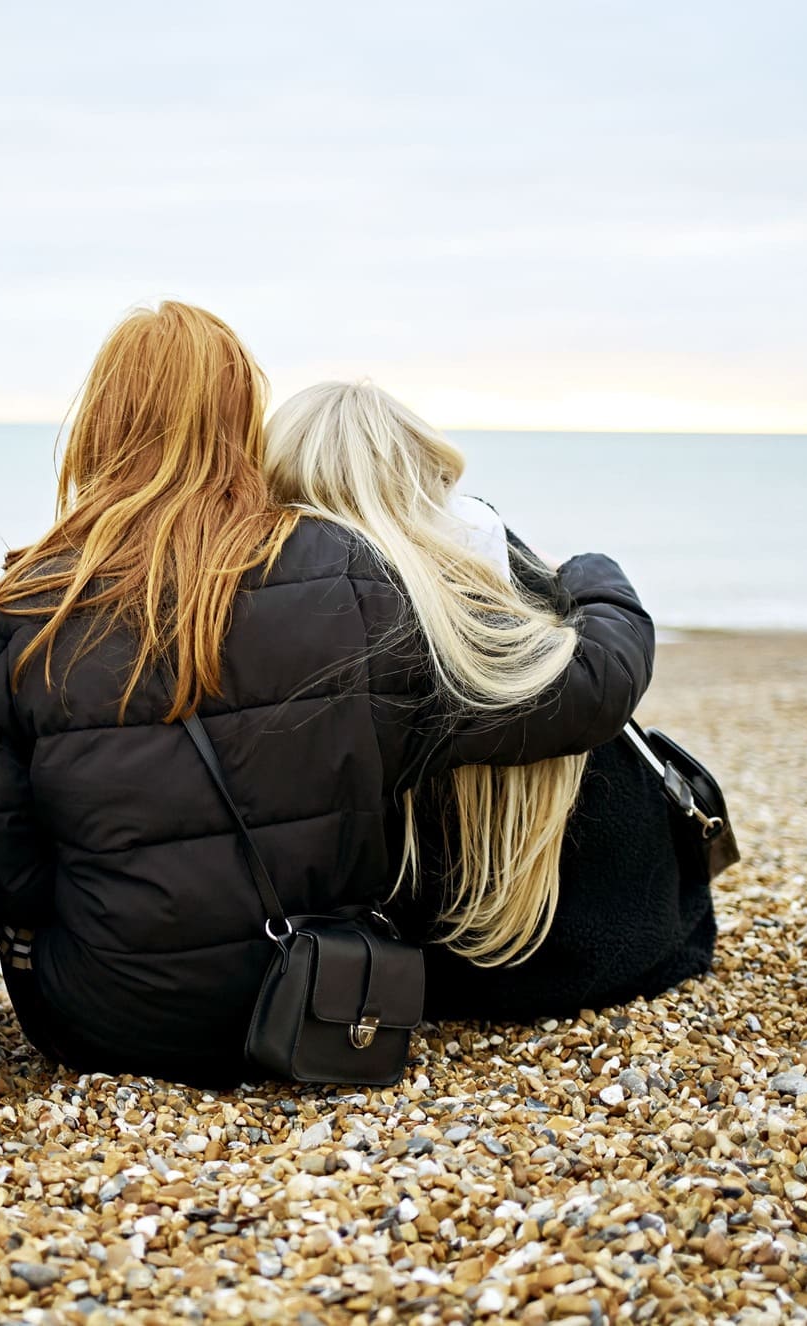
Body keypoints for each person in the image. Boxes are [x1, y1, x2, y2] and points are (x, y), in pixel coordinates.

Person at [0, 302, 654, 1086]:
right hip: (325, 999)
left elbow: (4, 872)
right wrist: (590, 579)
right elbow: (581, 695)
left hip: (101, 1021)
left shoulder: (21, 614)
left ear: (94, 429)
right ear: (244, 424)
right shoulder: (346, 574)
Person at [263, 382, 715, 1019]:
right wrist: (586, 572)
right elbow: (609, 658)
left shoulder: (295, 636)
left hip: (431, 980)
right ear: (428, 475)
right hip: (631, 945)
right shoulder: (517, 588)